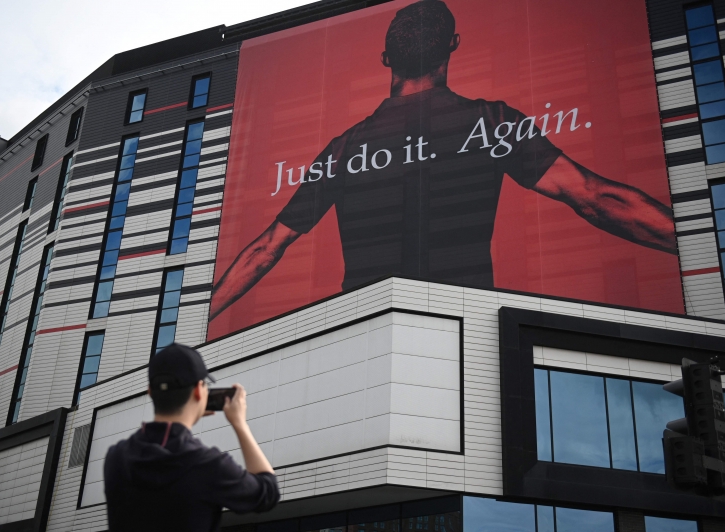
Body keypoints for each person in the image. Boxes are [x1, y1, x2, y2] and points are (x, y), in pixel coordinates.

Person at [208, 0, 676, 322]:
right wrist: (696, 242)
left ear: (385, 57)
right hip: (466, 327)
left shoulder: (344, 149)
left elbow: (266, 249)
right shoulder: (491, 122)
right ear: (453, 44)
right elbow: (596, 197)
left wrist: (191, 327)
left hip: (365, 330)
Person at [104, 343, 279, 532]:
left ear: (150, 392)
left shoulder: (116, 457)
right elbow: (267, 492)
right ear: (198, 390)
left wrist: (190, 412)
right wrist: (240, 424)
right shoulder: (208, 464)